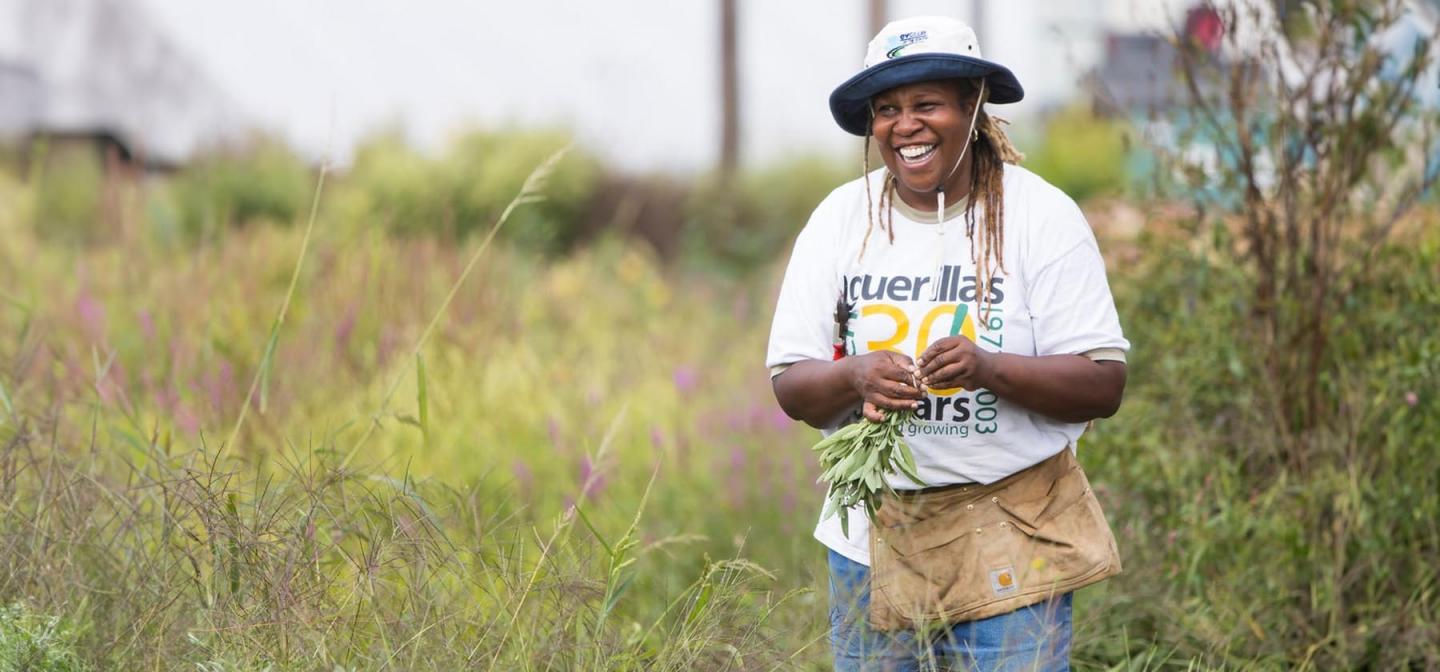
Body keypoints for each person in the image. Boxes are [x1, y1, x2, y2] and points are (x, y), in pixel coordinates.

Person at [766, 16, 1130, 672]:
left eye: (927, 103)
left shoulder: (1039, 217)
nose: (905, 125)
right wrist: (855, 380)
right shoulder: (840, 220)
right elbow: (792, 383)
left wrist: (989, 369)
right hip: (872, 544)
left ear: (972, 105)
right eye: (887, 109)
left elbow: (1102, 383)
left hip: (1015, 534)